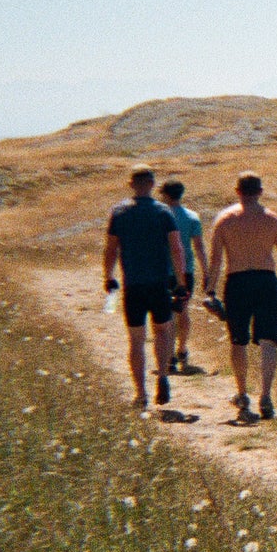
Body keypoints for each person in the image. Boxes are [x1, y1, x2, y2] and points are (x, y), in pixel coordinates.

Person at [204, 170, 277, 422]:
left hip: (238, 281)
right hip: (266, 280)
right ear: (260, 192)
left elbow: (216, 261)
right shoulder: (273, 220)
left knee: (238, 340)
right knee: (268, 339)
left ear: (237, 191)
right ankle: (266, 394)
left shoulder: (225, 221)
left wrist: (210, 290)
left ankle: (242, 393)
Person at [102, 165, 187, 411]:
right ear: (152, 184)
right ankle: (162, 374)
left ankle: (140, 393)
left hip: (133, 285)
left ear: (131, 185)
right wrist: (181, 282)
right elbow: (177, 248)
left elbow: (110, 249)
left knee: (136, 340)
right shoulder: (163, 212)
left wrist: (108, 276)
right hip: (158, 283)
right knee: (163, 331)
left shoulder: (119, 212)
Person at [158, 178, 206, 375]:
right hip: (186, 272)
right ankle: (182, 349)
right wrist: (206, 271)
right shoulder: (192, 217)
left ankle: (168, 356)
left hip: (162, 271)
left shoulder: (159, 216)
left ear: (165, 195)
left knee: (164, 316)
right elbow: (199, 247)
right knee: (183, 311)